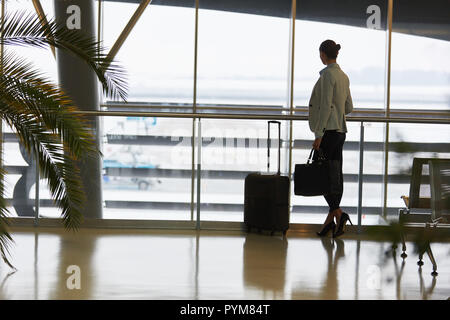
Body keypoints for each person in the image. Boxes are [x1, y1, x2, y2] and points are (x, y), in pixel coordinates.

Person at [308, 39, 353, 238]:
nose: (320, 57)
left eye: (320, 53)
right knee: (334, 175)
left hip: (328, 132)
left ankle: (339, 214)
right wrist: (338, 111)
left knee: (322, 176)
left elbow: (325, 105)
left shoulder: (327, 75)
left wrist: (319, 134)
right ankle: (330, 222)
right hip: (340, 132)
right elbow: (349, 108)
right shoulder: (343, 76)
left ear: (324, 54)